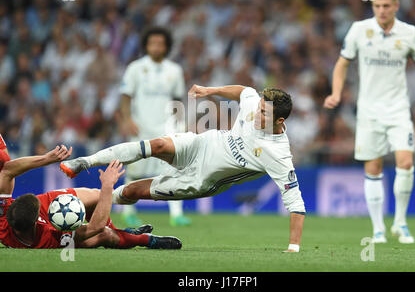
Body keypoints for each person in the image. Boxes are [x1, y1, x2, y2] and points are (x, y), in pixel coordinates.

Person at [60, 84, 306, 253]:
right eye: (260, 107)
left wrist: (293, 247)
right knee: (157, 144)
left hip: (200, 180)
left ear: (279, 120)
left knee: (132, 192)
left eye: (263, 113)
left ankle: (93, 202)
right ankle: (85, 162)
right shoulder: (256, 104)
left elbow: (295, 202)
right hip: (201, 145)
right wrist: (212, 91)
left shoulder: (278, 154)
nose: (256, 114)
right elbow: (245, 92)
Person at [323, 0, 415, 244]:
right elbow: (341, 64)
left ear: (396, 6)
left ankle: (400, 222)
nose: (382, 11)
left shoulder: (409, 33)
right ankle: (378, 229)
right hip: (369, 111)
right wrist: (336, 93)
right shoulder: (360, 30)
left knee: (406, 163)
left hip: (398, 110)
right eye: (377, 6)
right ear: (372, 7)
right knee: (373, 168)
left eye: (386, 6)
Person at [0, 135, 181, 249]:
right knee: (104, 236)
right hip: (51, 234)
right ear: (35, 223)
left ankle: (123, 231)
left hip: (29, 215)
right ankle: (146, 240)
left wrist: (48, 158)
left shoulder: (2, 218)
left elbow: (7, 170)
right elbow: (96, 227)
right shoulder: (49, 237)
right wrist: (108, 186)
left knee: (95, 196)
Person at [118, 26, 191, 227]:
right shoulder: (135, 68)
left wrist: (180, 123)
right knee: (134, 168)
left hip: (166, 126)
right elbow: (125, 97)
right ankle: (128, 211)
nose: (156, 47)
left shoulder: (175, 70)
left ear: (166, 47)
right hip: (141, 125)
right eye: (152, 43)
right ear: (146, 46)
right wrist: (127, 119)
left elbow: (177, 99)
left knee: (173, 168)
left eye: (160, 43)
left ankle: (176, 214)